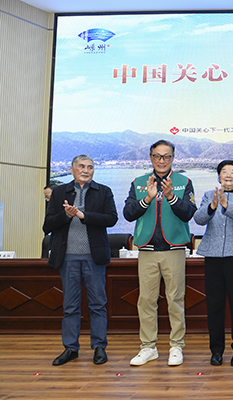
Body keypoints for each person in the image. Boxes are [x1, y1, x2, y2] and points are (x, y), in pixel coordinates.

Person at [124, 140, 196, 367]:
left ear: (173, 158)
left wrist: (171, 196)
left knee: (175, 299)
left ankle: (176, 346)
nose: (162, 160)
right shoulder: (138, 183)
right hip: (146, 249)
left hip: (174, 248)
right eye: (157, 156)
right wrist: (147, 198)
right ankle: (148, 347)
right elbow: (128, 213)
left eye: (166, 156)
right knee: (146, 300)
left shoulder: (184, 182)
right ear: (151, 158)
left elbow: (188, 213)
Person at [43, 155, 118, 366]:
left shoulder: (104, 191)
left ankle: (99, 347)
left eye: (90, 167)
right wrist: (66, 216)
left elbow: (111, 219)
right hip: (67, 258)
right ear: (72, 169)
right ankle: (70, 348)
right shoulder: (59, 192)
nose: (86, 170)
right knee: (70, 306)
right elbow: (47, 225)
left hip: (94, 257)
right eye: (82, 166)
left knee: (98, 304)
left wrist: (84, 216)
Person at [193, 160, 233, 367]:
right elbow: (199, 219)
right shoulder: (208, 195)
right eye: (224, 172)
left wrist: (226, 205)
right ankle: (216, 350)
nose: (228, 175)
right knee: (214, 306)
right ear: (219, 176)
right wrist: (212, 206)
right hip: (213, 258)